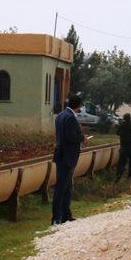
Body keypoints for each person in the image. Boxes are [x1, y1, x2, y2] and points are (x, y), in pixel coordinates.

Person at [52, 94, 87, 224]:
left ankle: (66, 214)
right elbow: (71, 137)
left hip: (60, 154)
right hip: (68, 155)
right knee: (62, 187)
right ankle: (57, 217)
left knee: (66, 186)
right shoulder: (71, 118)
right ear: (78, 106)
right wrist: (82, 138)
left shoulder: (60, 116)